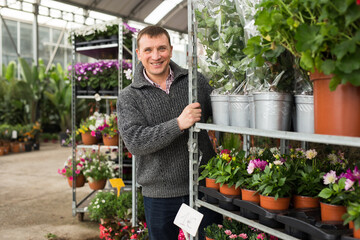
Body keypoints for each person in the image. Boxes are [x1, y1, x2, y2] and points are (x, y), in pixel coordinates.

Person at [117, 26, 221, 240]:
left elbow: (222, 114)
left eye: (161, 48)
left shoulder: (195, 82)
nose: (156, 56)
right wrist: (178, 124)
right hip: (160, 195)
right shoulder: (129, 97)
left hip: (203, 187)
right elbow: (136, 142)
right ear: (138, 54)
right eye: (148, 50)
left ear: (171, 50)